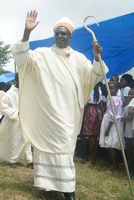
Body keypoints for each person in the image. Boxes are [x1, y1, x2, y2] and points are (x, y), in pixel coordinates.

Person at [11, 10, 108, 200]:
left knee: (64, 148)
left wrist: (97, 58)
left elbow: (94, 76)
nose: (60, 36)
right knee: (46, 149)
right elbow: (22, 60)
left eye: (64, 33)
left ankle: (67, 188)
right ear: (54, 35)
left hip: (68, 113)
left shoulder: (79, 58)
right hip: (47, 113)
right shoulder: (42, 54)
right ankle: (49, 186)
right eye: (58, 33)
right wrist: (26, 33)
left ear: (70, 36)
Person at [0, 73, 33, 168]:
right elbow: (3, 106)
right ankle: (13, 160)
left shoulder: (26, 91)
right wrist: (16, 112)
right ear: (16, 80)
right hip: (14, 120)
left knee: (27, 140)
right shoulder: (10, 93)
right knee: (15, 140)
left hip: (26, 120)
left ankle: (29, 160)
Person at [99, 82, 124, 170]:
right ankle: (114, 165)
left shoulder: (114, 99)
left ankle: (114, 166)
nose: (110, 90)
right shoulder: (112, 98)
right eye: (109, 88)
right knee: (111, 145)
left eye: (112, 88)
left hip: (112, 124)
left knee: (111, 145)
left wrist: (108, 129)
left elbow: (114, 115)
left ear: (117, 90)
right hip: (110, 122)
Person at [80, 82, 104, 164]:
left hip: (90, 111)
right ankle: (95, 157)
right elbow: (101, 103)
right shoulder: (99, 90)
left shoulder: (89, 90)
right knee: (95, 136)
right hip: (97, 111)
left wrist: (83, 114)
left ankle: (91, 158)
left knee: (91, 136)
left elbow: (86, 103)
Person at [121, 88, 134, 177]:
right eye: (128, 94)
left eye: (132, 94)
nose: (129, 96)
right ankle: (130, 170)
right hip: (127, 133)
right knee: (129, 153)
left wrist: (123, 119)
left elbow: (129, 118)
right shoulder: (126, 107)